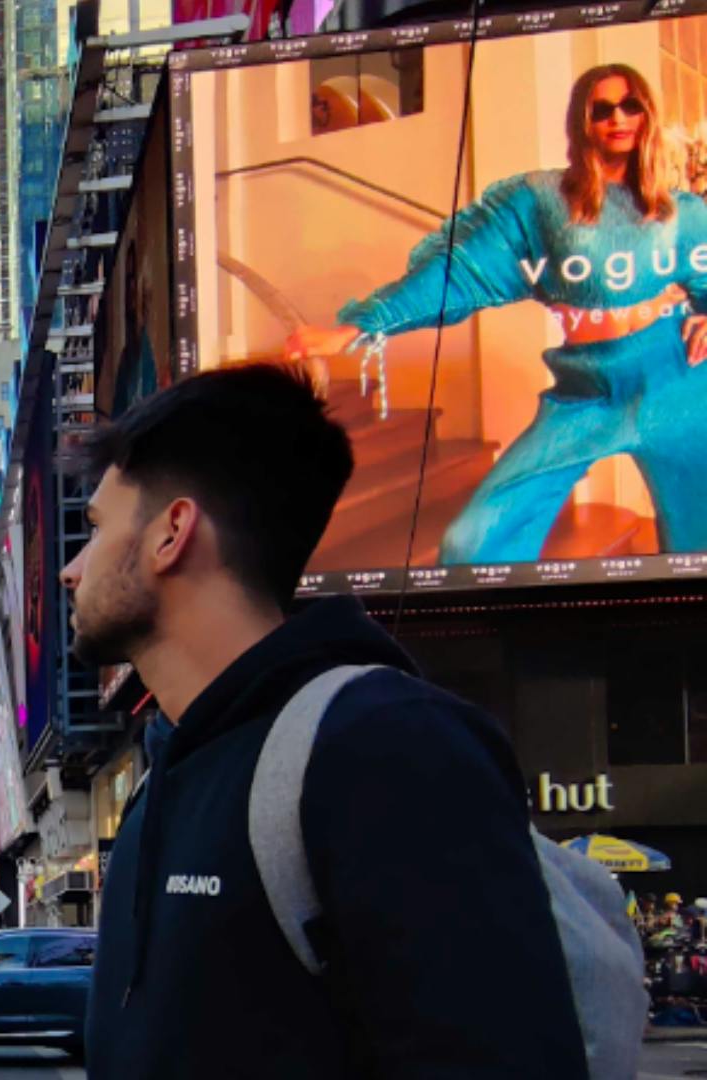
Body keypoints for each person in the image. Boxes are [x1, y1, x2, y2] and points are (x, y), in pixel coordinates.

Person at [60, 364, 588, 1077]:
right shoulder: (164, 775)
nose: (72, 569)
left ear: (171, 534)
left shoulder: (383, 744)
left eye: (94, 528)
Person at [288, 63, 707, 564]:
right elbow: (459, 271)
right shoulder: (540, 199)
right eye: (602, 109)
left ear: (647, 114)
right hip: (586, 393)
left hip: (676, 379)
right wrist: (362, 324)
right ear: (582, 123)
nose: (618, 119)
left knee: (696, 548)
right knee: (473, 543)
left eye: (630, 105)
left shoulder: (680, 209)